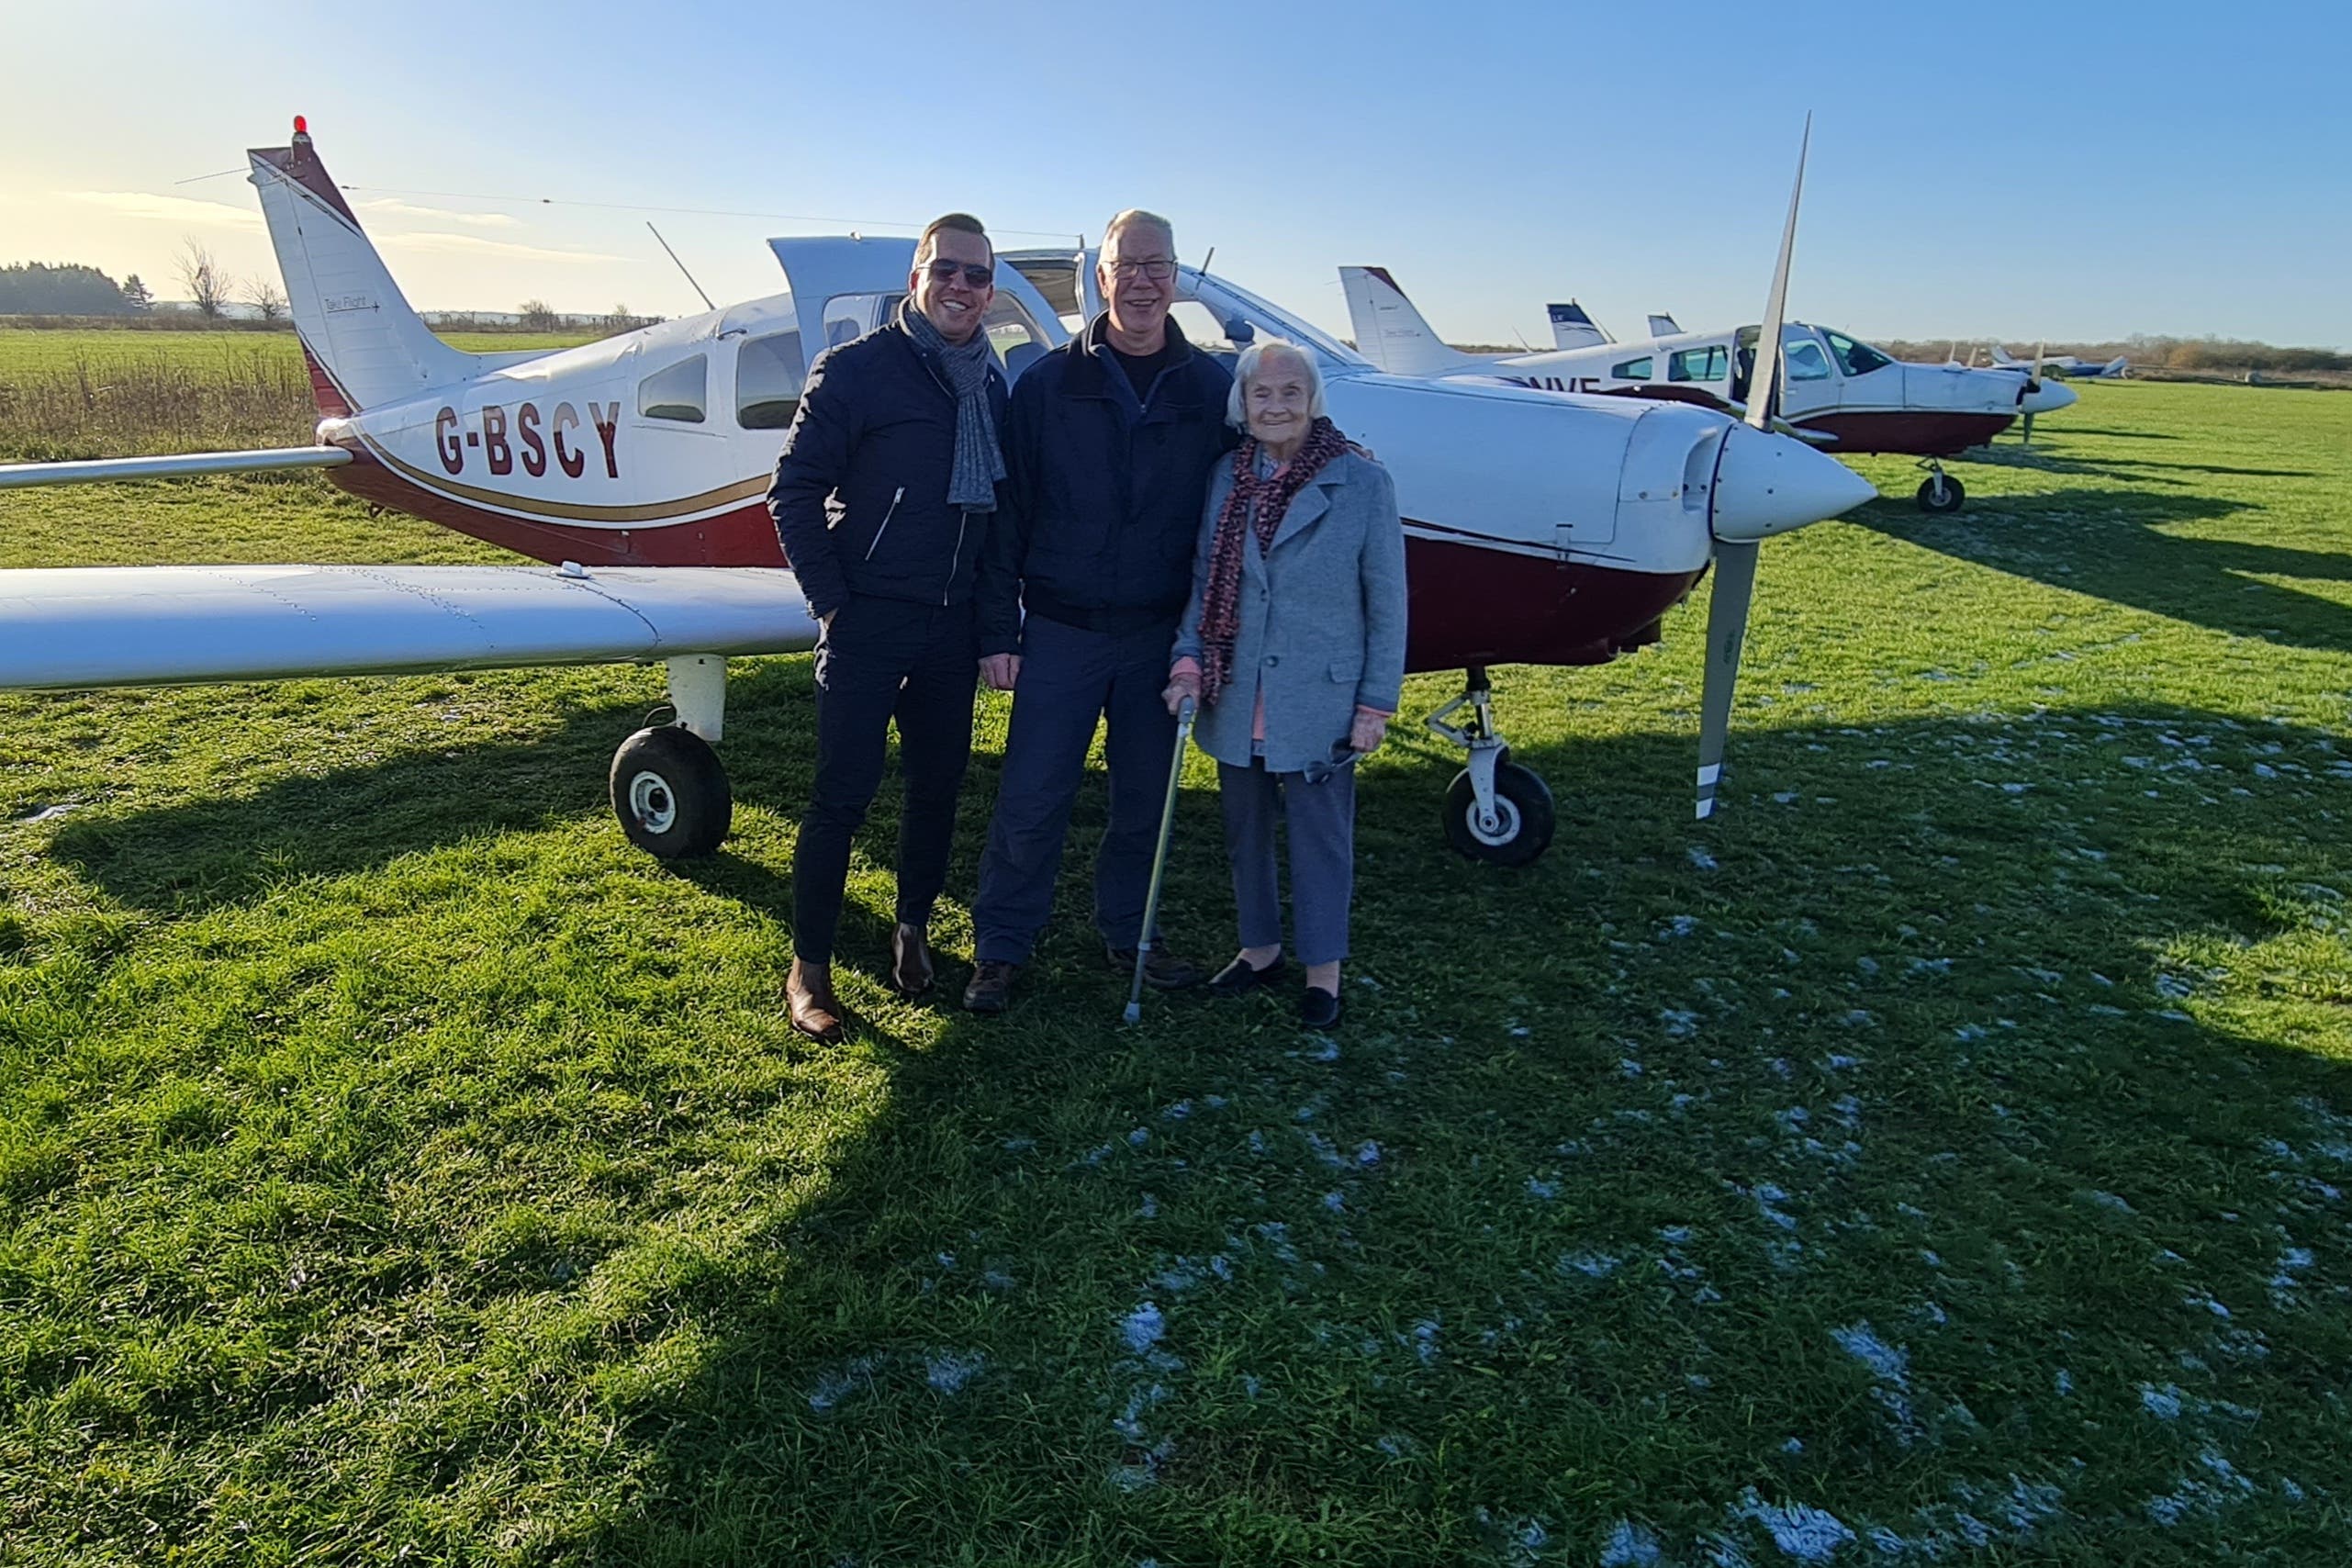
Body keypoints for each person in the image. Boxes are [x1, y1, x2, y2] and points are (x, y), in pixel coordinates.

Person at [962, 210, 1237, 1013]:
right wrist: (996, 630)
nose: (1143, 281)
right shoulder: (1047, 385)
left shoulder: (1213, 391)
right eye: (1127, 265)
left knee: (1144, 800)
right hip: (1060, 630)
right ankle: (1002, 948)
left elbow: (1239, 501)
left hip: (1157, 635)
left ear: (1177, 276)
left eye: (1158, 265)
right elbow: (1006, 517)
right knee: (1032, 796)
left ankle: (1131, 936)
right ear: (1102, 278)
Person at [767, 213, 1009, 1042]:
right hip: (869, 618)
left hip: (948, 628)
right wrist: (833, 601)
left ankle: (912, 928)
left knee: (937, 790)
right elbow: (793, 492)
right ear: (916, 279)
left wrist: (992, 624)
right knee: (842, 797)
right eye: (946, 270)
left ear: (989, 290)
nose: (961, 287)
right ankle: (811, 966)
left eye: (977, 276)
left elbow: (997, 521)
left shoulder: (992, 382)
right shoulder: (858, 371)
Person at [1162, 338, 1407, 1030]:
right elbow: (1207, 580)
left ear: (1312, 401)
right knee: (1245, 833)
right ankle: (1259, 948)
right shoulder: (1227, 478)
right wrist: (1188, 661)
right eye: (1262, 394)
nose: (1276, 405)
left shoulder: (1362, 483)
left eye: (1290, 393)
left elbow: (1388, 602)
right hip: (1237, 690)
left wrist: (1374, 703)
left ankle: (1323, 973)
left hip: (1320, 696)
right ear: (1243, 403)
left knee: (1319, 837)